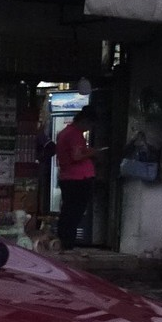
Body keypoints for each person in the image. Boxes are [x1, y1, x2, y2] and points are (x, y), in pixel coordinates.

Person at [55, 107, 99, 250]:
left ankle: (64, 240)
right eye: (90, 125)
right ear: (85, 121)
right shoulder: (75, 134)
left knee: (68, 210)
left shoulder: (64, 133)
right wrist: (92, 153)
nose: (89, 128)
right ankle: (67, 242)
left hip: (68, 177)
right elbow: (76, 156)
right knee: (74, 212)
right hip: (79, 178)